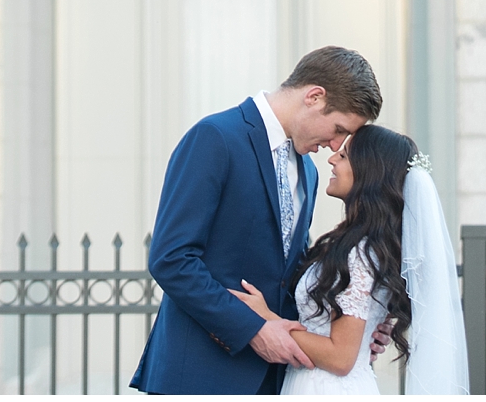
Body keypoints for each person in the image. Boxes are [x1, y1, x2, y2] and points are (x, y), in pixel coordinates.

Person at [128, 47, 381, 395]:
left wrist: (352, 326)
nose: (336, 144)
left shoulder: (307, 171)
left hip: (274, 380)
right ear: (314, 96)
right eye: (338, 128)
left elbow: (287, 276)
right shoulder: (216, 137)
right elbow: (170, 259)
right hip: (201, 376)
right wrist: (252, 329)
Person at [223, 125, 469, 396]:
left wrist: (267, 319)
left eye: (344, 155)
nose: (332, 158)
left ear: (369, 172)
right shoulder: (364, 246)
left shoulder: (361, 254)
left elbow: (340, 357)